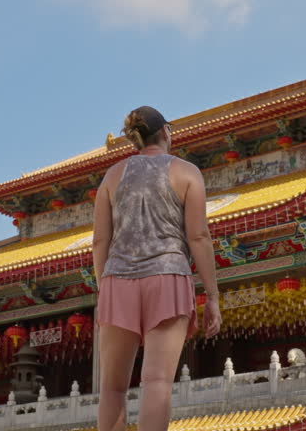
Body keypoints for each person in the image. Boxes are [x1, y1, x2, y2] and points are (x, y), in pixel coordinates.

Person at [93, 106, 222, 431]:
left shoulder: (112, 176)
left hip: (117, 280)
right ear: (165, 131)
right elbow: (198, 236)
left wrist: (105, 287)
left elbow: (99, 241)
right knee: (157, 382)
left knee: (112, 388)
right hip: (168, 278)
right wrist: (213, 295)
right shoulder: (187, 172)